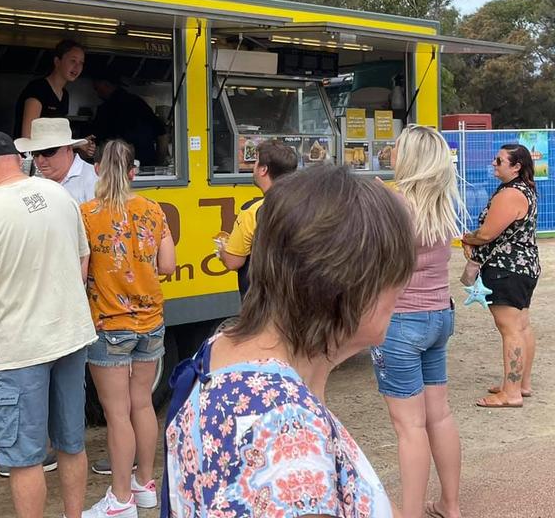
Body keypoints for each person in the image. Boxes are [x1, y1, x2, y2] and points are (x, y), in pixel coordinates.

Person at [164, 165, 416, 517]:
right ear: (350, 287)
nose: (402, 292)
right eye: (395, 277)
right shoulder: (288, 435)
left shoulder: (224, 351)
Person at [0, 130, 96, 518]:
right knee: (71, 444)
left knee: (25, 456)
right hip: (71, 336)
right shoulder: (60, 194)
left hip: (19, 348)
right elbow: (82, 262)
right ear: (17, 158)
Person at [80, 140, 176, 518]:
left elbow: (80, 273)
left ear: (99, 170)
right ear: (134, 172)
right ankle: (145, 484)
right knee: (142, 404)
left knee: (116, 412)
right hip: (151, 321)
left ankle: (120, 499)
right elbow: (168, 265)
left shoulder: (86, 214)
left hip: (108, 324)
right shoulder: (154, 210)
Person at [370, 126, 463, 518]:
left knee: (409, 427)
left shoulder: (394, 206)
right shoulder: (442, 203)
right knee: (438, 414)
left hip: (401, 324)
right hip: (439, 316)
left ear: (408, 158)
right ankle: (450, 505)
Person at [461, 143, 540, 409]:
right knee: (521, 325)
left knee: (510, 329)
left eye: (499, 161)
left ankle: (512, 392)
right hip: (522, 267)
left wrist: (466, 239)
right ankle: (519, 384)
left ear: (516, 166)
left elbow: (486, 234)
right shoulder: (524, 189)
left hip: (507, 268)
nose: (494, 164)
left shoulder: (510, 194)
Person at [216, 139, 297, 300]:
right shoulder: (307, 203)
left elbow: (233, 262)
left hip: (262, 302)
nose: (253, 167)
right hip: (298, 297)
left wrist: (222, 251)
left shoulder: (252, 211)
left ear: (263, 170)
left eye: (256, 162)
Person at [90, 71, 167, 169]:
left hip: (119, 168)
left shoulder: (105, 109)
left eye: (97, 88)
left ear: (106, 84)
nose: (97, 93)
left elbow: (96, 143)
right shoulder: (139, 103)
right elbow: (162, 135)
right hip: (146, 166)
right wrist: (158, 165)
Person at [13, 38, 86, 139]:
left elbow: (58, 137)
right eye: (73, 61)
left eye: (81, 62)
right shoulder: (37, 89)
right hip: (31, 154)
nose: (77, 67)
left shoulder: (65, 95)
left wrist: (77, 145)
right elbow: (27, 136)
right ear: (57, 61)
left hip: (52, 155)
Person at [15, 117, 98, 205]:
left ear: (68, 148)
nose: (40, 160)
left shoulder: (94, 181)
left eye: (48, 152)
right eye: (35, 153)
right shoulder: (33, 180)